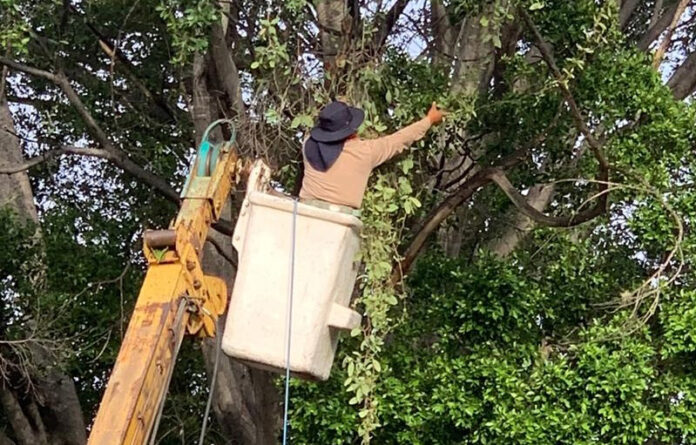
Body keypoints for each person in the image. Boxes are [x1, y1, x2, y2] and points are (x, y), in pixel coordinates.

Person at [299, 101, 445, 211]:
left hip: (305, 210)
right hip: (342, 215)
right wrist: (429, 120)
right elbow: (399, 139)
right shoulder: (365, 152)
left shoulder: (308, 144)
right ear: (352, 131)